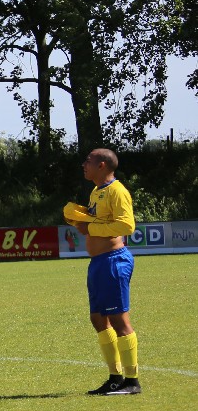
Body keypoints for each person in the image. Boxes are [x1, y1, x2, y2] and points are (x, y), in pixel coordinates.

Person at [74, 148, 141, 395]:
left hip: (114, 261)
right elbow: (98, 221)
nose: (84, 165)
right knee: (98, 318)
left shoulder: (117, 191)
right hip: (98, 262)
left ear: (102, 165)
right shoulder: (96, 191)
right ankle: (115, 378)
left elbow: (126, 225)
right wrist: (80, 218)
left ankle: (132, 381)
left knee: (119, 320)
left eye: (88, 161)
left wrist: (90, 227)